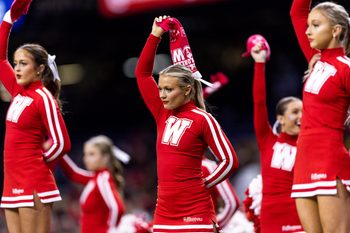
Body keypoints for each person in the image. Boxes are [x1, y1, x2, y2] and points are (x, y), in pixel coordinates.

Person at [134, 15, 239, 233]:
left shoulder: (202, 118)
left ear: (187, 90)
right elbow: (142, 74)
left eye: (168, 89)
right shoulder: (163, 113)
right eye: (161, 88)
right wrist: (154, 36)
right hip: (164, 213)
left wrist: (203, 184)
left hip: (196, 214)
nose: (162, 95)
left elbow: (229, 161)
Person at [0, 0, 71, 232]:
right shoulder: (18, 91)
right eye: (16, 64)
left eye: (23, 64)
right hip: (11, 182)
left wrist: (40, 164)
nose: (17, 69)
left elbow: (62, 142)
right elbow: (0, 60)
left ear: (39, 68)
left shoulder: (43, 97)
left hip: (33, 182)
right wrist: (9, 20)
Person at [290, 0, 350, 232]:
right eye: (308, 25)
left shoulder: (345, 67)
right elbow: (297, 11)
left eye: (315, 25)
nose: (307, 31)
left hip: (330, 160)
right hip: (304, 160)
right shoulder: (316, 60)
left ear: (335, 30)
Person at [245, 36, 304, 232]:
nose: (301, 117)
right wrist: (260, 63)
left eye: (304, 112)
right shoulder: (267, 140)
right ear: (280, 118)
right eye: (295, 112)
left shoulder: (310, 144)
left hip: (301, 214)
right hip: (272, 218)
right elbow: (259, 102)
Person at [59, 135, 126, 233]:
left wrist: (111, 230)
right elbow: (73, 173)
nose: (86, 159)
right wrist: (57, 149)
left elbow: (117, 208)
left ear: (105, 157)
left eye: (92, 154)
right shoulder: (97, 177)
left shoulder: (103, 178)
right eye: (85, 154)